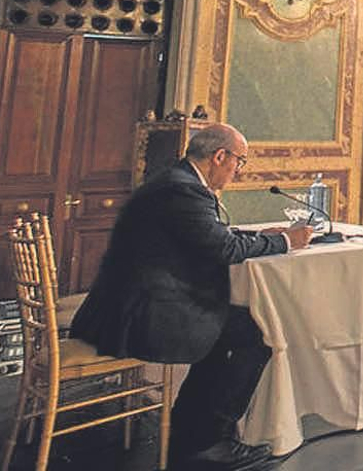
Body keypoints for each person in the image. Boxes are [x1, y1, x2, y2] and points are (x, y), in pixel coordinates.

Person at [71, 124, 312, 469]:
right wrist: (288, 241)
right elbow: (222, 247)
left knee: (237, 324)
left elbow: (204, 234)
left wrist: (260, 235)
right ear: (220, 156)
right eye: (239, 162)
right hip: (141, 314)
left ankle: (192, 430)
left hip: (127, 303)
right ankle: (207, 442)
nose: (238, 171)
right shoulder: (185, 191)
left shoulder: (175, 181)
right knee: (255, 332)